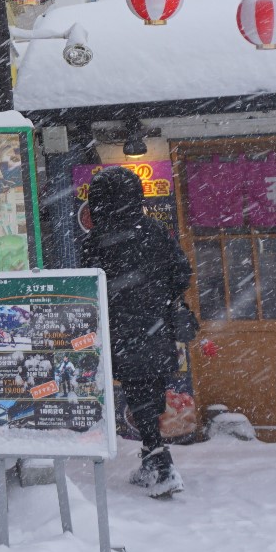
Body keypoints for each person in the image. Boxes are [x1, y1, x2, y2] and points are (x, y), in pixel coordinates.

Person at [82, 166, 193, 497]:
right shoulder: (154, 231)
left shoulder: (96, 242)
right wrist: (158, 296)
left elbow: (89, 290)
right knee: (152, 390)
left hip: (120, 331)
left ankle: (159, 464)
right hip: (156, 327)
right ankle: (154, 459)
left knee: (138, 392)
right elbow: (181, 274)